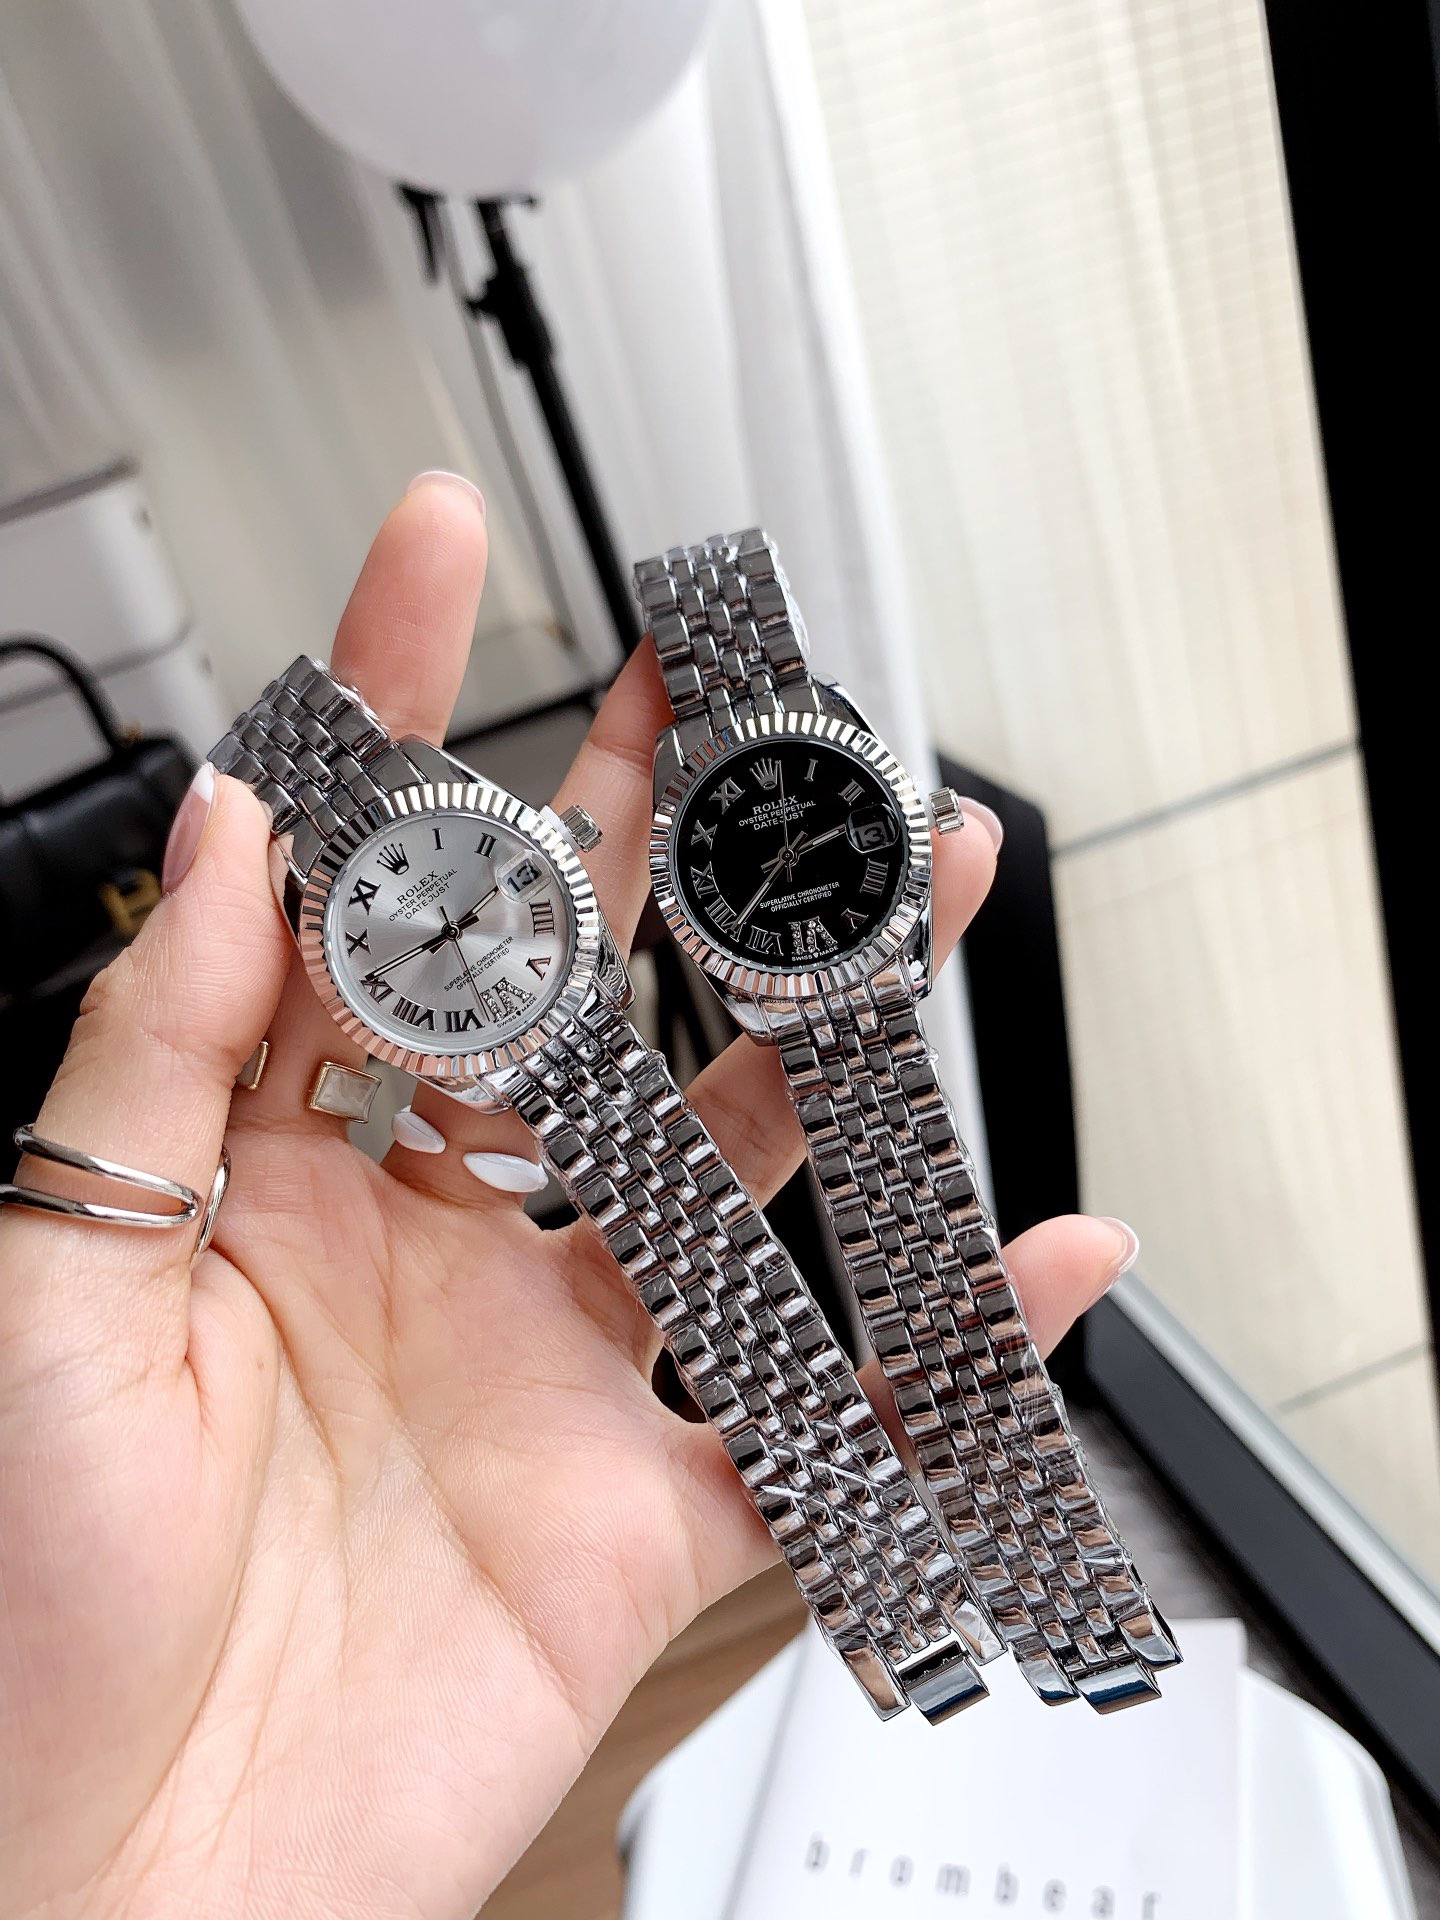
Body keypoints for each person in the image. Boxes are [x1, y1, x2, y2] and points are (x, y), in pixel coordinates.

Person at [0, 475, 1139, 1918]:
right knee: (759, 1318)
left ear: (576, 862)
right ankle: (971, 1631)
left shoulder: (628, 856)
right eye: (425, 927)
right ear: (366, 1007)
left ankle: (1034, 1624)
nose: (461, 915)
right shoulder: (419, 970)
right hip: (541, 1053)